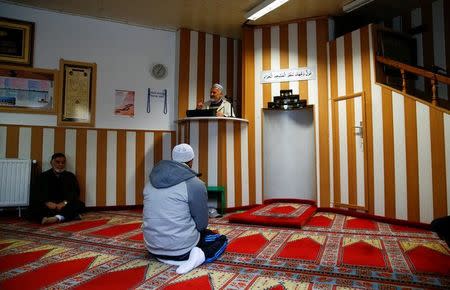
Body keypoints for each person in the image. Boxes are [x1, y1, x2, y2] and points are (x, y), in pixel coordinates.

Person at [142, 143, 228, 274]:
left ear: (173, 158)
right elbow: (202, 224)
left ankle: (171, 255)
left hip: (152, 248)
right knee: (220, 239)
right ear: (191, 160)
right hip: (181, 250)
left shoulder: (150, 182)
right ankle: (199, 255)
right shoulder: (195, 184)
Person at [28, 153, 85, 224]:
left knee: (80, 205)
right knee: (33, 207)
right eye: (57, 162)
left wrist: (64, 203)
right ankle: (66, 216)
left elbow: (75, 193)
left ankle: (56, 218)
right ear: (51, 163)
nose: (60, 164)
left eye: (63, 162)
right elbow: (36, 192)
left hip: (64, 205)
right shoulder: (43, 176)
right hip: (48, 205)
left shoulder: (70, 176)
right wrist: (46, 202)